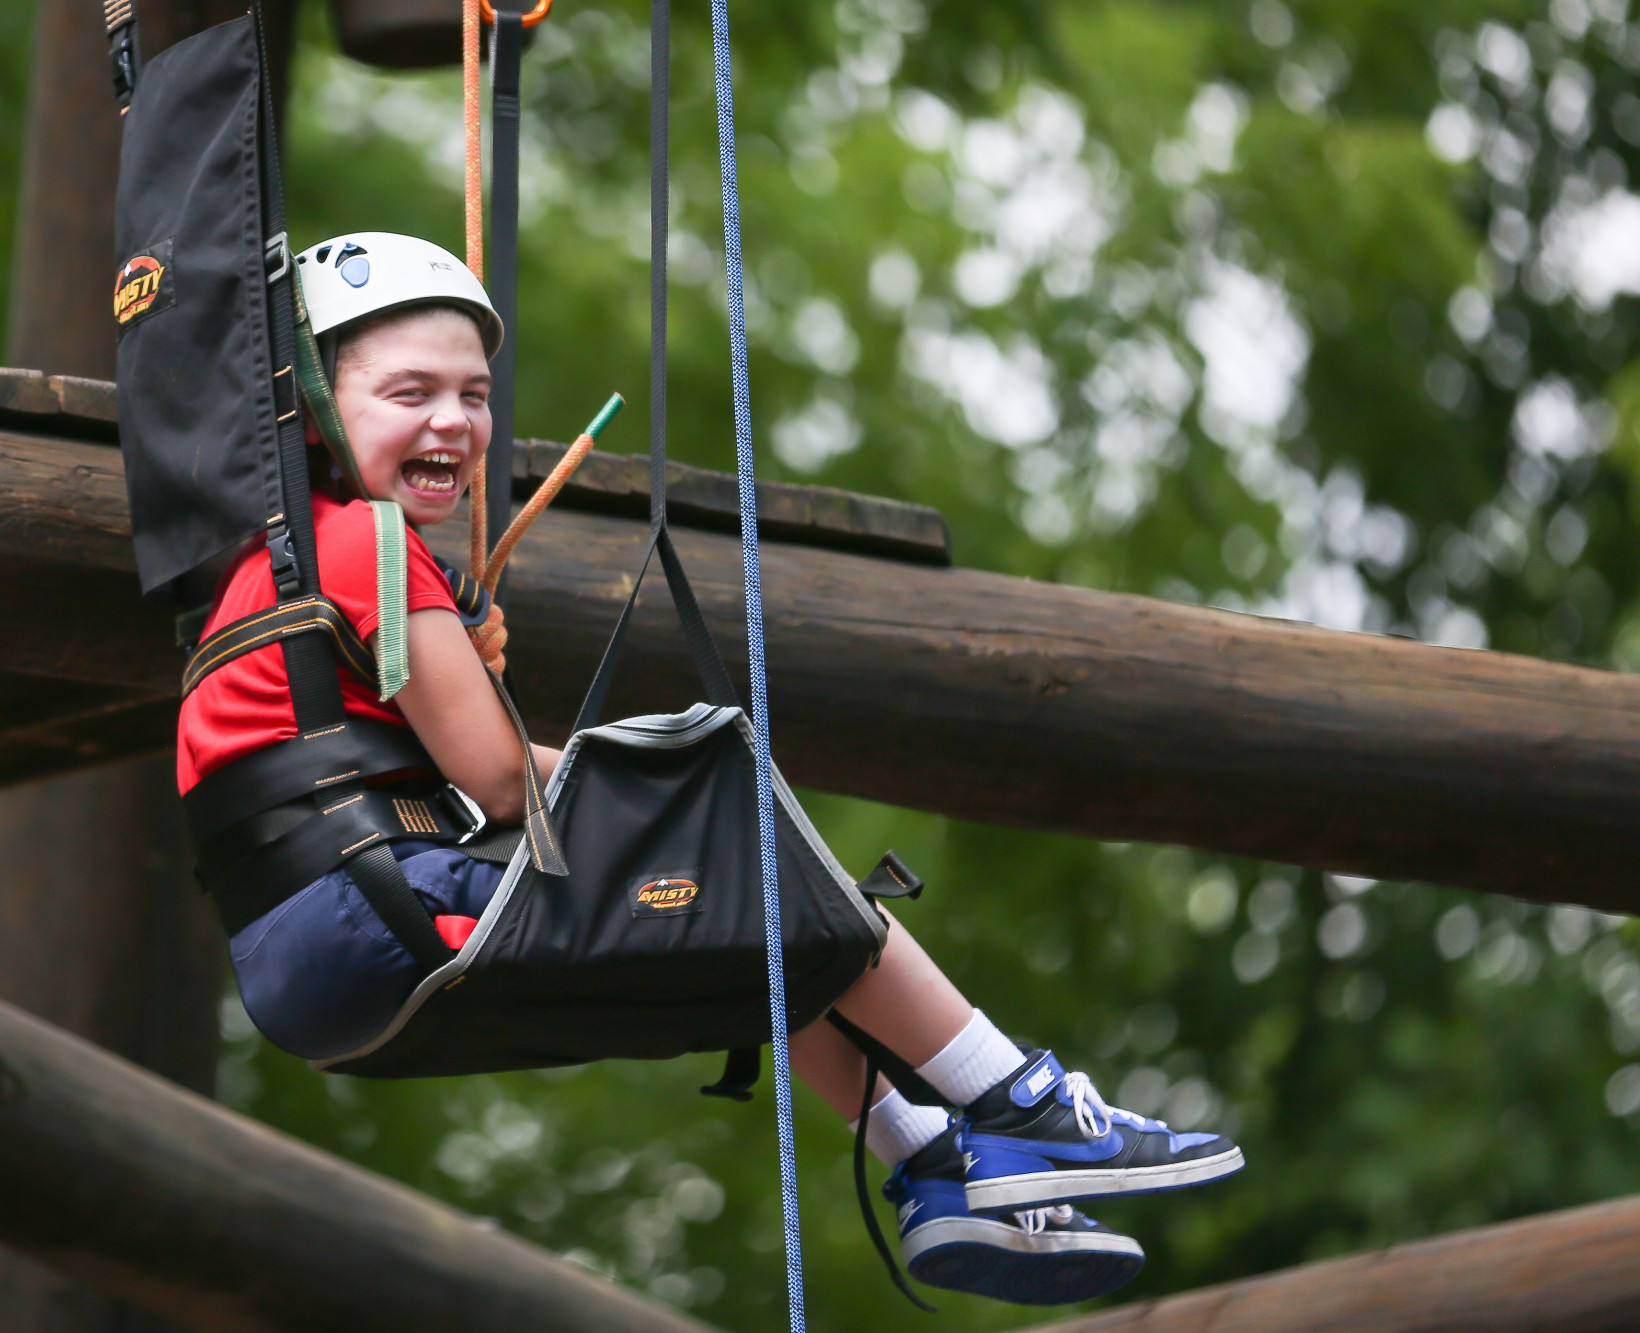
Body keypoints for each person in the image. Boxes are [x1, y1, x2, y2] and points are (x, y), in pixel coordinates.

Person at [177, 232, 1242, 1304]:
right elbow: (498, 782)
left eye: (474, 395)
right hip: (377, 913)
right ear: (310, 405)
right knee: (745, 840)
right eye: (409, 392)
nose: (452, 421)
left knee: (742, 920)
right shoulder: (365, 545)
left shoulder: (279, 560)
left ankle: (932, 1160)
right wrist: (647, 781)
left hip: (313, 945)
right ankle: (1015, 1099)